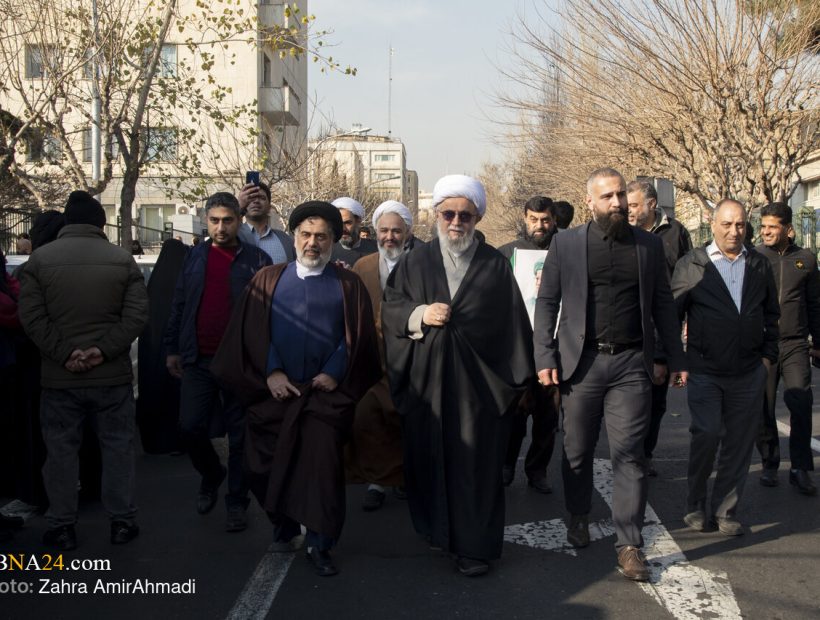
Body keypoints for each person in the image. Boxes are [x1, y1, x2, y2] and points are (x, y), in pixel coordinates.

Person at [211, 201, 381, 577]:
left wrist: (335, 372)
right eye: (306, 235)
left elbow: (358, 340)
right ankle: (284, 524)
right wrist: (271, 372)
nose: (313, 243)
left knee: (320, 471)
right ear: (294, 236)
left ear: (335, 240)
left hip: (324, 397)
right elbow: (254, 335)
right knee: (262, 466)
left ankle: (320, 543)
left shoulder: (348, 284)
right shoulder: (268, 279)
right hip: (275, 395)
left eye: (322, 236)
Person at [533, 168, 686, 582]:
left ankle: (629, 544)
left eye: (621, 195)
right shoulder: (566, 244)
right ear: (590, 202)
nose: (617, 203)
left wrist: (675, 358)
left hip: (631, 365)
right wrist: (544, 355)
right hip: (580, 365)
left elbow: (662, 306)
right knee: (577, 451)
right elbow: (547, 302)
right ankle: (578, 515)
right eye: (608, 197)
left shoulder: (649, 245)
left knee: (630, 454)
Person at [382, 174, 534, 577]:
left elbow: (515, 327)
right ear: (436, 215)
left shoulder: (495, 267)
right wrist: (421, 315)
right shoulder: (416, 261)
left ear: (476, 219)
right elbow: (392, 310)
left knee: (475, 468)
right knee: (431, 462)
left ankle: (474, 548)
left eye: (464, 215)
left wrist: (515, 386)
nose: (455, 222)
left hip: (479, 392)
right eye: (448, 213)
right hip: (428, 386)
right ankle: (439, 533)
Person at [18, 190, 148, 551]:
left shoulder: (39, 262)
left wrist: (65, 354)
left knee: (60, 453)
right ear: (100, 223)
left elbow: (31, 317)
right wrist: (100, 351)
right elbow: (136, 316)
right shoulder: (122, 261)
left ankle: (62, 526)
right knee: (117, 449)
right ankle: (121, 521)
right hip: (112, 376)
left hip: (60, 378)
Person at [165, 192, 272, 533]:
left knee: (240, 438)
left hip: (240, 363)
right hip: (198, 359)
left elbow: (270, 312)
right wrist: (172, 348)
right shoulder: (194, 256)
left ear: (239, 221)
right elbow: (179, 304)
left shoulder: (256, 259)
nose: (221, 227)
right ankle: (212, 474)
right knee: (189, 427)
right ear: (206, 220)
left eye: (228, 220)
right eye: (215, 220)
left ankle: (237, 502)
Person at [672, 198, 779, 536]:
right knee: (706, 433)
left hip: (748, 371)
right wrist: (676, 360)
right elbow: (672, 315)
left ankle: (726, 510)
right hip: (705, 370)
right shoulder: (692, 264)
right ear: (712, 223)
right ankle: (695, 504)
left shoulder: (759, 264)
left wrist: (766, 357)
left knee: (739, 442)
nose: (735, 231)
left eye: (741, 225)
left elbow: (772, 314)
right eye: (727, 224)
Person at [345, 200, 412, 511]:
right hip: (372, 357)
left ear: (407, 233)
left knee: (404, 419)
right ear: (374, 231)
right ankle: (376, 481)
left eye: (396, 231)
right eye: (384, 230)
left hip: (411, 357)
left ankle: (401, 476)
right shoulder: (364, 266)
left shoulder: (421, 264)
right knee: (370, 419)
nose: (390, 237)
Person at [627, 180, 693, 476]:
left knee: (655, 399)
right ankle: (628, 455)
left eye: (634, 205)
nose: (627, 210)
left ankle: (645, 454)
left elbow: (690, 280)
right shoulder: (621, 232)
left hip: (663, 327)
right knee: (626, 401)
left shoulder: (676, 233)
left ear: (652, 204)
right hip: (626, 329)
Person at [754, 203, 819, 495]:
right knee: (763, 407)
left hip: (795, 344)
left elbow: (816, 304)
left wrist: (818, 343)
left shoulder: (806, 259)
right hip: (763, 344)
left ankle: (800, 468)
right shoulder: (753, 257)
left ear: (788, 229)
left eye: (772, 226)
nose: (765, 231)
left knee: (801, 403)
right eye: (763, 226)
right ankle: (769, 462)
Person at [498, 196, 561, 493]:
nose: (540, 225)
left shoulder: (567, 251)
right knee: (513, 415)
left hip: (556, 348)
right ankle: (506, 464)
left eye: (545, 220)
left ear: (554, 220)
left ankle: (537, 471)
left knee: (548, 417)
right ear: (525, 219)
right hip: (516, 350)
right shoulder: (506, 254)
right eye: (534, 219)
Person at [136, 238, 189, 454]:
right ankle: (177, 441)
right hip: (176, 353)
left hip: (152, 354)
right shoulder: (184, 284)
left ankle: (153, 442)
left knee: (153, 393)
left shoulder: (153, 286)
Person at [237, 181, 295, 263]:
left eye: (262, 198)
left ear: (269, 206)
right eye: (251, 198)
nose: (256, 201)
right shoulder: (232, 237)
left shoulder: (285, 240)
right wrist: (239, 209)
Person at [330, 197, 377, 265]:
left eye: (347, 223)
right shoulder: (328, 251)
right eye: (339, 223)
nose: (343, 229)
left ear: (358, 221)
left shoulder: (375, 248)